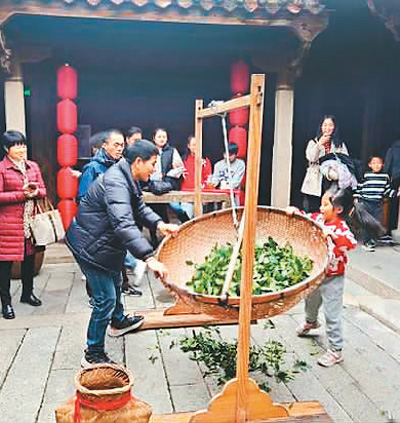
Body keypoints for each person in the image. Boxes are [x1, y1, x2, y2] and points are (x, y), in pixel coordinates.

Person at [65, 140, 179, 366]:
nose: (154, 169)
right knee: (105, 299)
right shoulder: (116, 182)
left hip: (105, 244)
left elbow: (139, 207)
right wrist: (149, 257)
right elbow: (124, 223)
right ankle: (93, 353)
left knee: (116, 281)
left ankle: (117, 322)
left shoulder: (128, 176)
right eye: (152, 164)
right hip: (89, 246)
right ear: (138, 161)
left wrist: (159, 224)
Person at [286, 187, 357, 367]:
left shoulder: (341, 228)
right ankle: (311, 322)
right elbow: (306, 218)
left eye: (325, 205)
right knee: (310, 301)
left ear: (338, 209)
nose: (321, 207)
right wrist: (295, 211)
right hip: (316, 274)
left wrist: (333, 236)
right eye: (321, 203)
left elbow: (350, 243)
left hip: (333, 278)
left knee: (332, 314)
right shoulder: (319, 219)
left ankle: (335, 350)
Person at [0, 130, 47, 319]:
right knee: (5, 265)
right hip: (8, 225)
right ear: (7, 149)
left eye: (23, 145)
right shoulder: (2, 169)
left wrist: (35, 192)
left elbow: (43, 190)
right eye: (16, 146)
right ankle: (6, 303)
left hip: (30, 222)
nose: (21, 149)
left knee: (29, 259)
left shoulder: (32, 166)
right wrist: (21, 194)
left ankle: (27, 293)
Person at [147, 128, 187, 246]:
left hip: (167, 185)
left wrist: (168, 175)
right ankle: (154, 239)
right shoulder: (149, 151)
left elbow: (180, 168)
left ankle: (187, 225)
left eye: (164, 136)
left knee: (176, 207)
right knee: (153, 211)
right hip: (153, 186)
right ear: (154, 138)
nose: (162, 139)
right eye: (159, 137)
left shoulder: (172, 151)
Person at [301, 115, 349, 212]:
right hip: (315, 183)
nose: (327, 128)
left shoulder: (339, 144)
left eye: (330, 125)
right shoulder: (313, 142)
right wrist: (319, 144)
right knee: (312, 212)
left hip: (331, 182)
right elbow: (311, 158)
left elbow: (346, 162)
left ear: (334, 127)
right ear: (321, 127)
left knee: (329, 211)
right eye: (325, 125)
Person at [354, 155, 395, 252]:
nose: (377, 165)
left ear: (383, 165)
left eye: (379, 163)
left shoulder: (385, 177)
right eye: (374, 163)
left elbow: (386, 190)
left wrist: (394, 193)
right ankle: (367, 241)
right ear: (370, 165)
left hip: (377, 204)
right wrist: (356, 197)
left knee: (375, 222)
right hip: (365, 202)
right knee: (366, 223)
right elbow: (360, 187)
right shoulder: (366, 175)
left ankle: (372, 240)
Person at [170, 134, 212, 219]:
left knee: (200, 221)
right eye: (193, 145)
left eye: (198, 144)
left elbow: (208, 178)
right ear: (188, 146)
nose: (196, 147)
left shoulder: (205, 161)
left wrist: (207, 194)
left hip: (201, 195)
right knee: (187, 219)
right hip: (186, 194)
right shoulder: (183, 160)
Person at [384, 139, 400, 233]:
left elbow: (387, 164)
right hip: (396, 178)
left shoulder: (393, 147)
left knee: (393, 204)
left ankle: (390, 228)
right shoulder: (394, 148)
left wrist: (385, 177)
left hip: (395, 177)